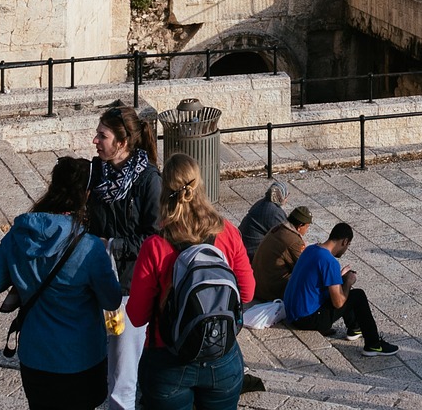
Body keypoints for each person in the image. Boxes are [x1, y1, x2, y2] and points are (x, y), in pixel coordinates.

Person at [0, 156, 123, 410]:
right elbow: (112, 299)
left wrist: (20, 275)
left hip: (35, 356)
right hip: (82, 358)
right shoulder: (88, 247)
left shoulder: (19, 234)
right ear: (86, 195)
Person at [123, 153, 256, 408]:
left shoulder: (155, 246)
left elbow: (138, 316)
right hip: (221, 353)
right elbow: (248, 293)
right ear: (200, 185)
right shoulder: (227, 232)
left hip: (167, 359)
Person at [88, 104, 162, 410]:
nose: (95, 140)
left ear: (122, 142)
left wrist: (111, 244)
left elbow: (154, 237)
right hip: (95, 279)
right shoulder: (95, 172)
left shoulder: (148, 179)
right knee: (94, 355)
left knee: (122, 367)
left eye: (101, 136)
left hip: (129, 286)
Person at [282, 221, 398, 355]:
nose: (346, 249)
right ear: (344, 242)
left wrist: (339, 277)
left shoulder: (311, 249)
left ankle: (355, 328)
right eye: (348, 245)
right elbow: (339, 303)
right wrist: (348, 282)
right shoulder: (330, 262)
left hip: (292, 312)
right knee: (357, 295)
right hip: (306, 319)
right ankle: (373, 344)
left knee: (344, 290)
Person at [254, 206, 312, 302]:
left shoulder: (278, 228)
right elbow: (304, 266)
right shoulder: (294, 241)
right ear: (300, 226)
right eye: (307, 226)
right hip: (269, 291)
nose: (307, 229)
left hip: (258, 284)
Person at [236, 180, 286, 260]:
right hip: (253, 253)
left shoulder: (261, 203)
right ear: (283, 197)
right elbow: (286, 236)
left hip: (244, 246)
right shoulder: (274, 212)